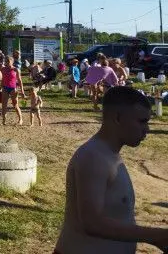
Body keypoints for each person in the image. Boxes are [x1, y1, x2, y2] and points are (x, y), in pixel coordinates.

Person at [54, 86, 168, 254]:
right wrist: (157, 236)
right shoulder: (93, 156)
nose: (147, 129)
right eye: (142, 121)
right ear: (118, 118)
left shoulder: (109, 155)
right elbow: (92, 223)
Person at [0, 56, 24, 126]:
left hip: (13, 89)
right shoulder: (3, 69)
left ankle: (20, 119)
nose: (7, 62)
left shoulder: (16, 70)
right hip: (5, 88)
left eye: (8, 61)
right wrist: (0, 88)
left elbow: (20, 81)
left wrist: (22, 91)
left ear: (12, 62)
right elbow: (3, 79)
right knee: (4, 105)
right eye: (6, 61)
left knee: (15, 105)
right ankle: (4, 120)